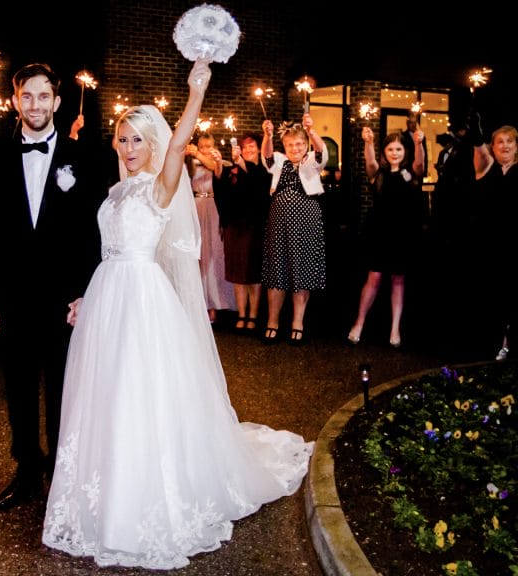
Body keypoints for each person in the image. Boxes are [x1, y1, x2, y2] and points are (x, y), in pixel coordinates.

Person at [41, 59, 313, 570]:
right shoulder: (116, 190)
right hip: (107, 293)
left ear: (154, 144)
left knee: (141, 391)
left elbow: (181, 138)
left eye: (137, 140)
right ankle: (103, 495)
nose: (127, 148)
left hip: (143, 297)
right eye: (122, 139)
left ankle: (147, 494)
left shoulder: (162, 185)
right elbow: (108, 249)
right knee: (106, 391)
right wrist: (84, 296)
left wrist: (195, 93)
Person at [0, 62, 102, 511]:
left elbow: (92, 231)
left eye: (43, 97)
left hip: (66, 298)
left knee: (65, 388)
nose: (35, 105)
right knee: (19, 388)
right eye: (27, 96)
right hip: (13, 296)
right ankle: (26, 469)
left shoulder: (82, 157)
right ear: (14, 101)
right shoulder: (0, 158)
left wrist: (86, 290)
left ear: (57, 102)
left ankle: (64, 476)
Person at [469, 116, 518, 361]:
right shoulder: (484, 168)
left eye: (509, 141)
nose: (504, 145)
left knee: (516, 299)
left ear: (517, 145)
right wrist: (475, 124)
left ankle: (512, 346)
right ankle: (491, 345)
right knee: (490, 298)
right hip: (488, 246)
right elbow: (477, 142)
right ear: (493, 146)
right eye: (499, 142)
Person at [347, 127, 426, 348]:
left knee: (398, 280)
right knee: (374, 278)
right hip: (379, 233)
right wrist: (369, 142)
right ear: (384, 151)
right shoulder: (378, 174)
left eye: (398, 149)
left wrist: (419, 143)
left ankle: (395, 329)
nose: (394, 152)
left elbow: (420, 165)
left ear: (405, 151)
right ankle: (359, 323)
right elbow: (369, 162)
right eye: (390, 149)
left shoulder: (411, 173)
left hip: (403, 234)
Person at [260, 115, 328, 345]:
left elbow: (321, 152)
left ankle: (297, 323)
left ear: (305, 144)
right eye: (290, 144)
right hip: (279, 223)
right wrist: (268, 136)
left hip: (306, 222)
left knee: (302, 270)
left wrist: (311, 131)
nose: (295, 148)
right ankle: (272, 322)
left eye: (299, 144)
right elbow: (267, 157)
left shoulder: (311, 161)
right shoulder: (280, 161)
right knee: (277, 270)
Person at [214, 132, 270, 332]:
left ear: (259, 148)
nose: (247, 150)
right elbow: (221, 189)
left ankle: (253, 315)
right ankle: (242, 313)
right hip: (235, 226)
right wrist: (220, 167)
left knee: (252, 272)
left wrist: (240, 163)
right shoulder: (235, 170)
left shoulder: (264, 170)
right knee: (237, 271)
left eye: (251, 146)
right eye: (244, 147)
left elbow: (257, 185)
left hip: (253, 226)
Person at [186, 133, 235, 322]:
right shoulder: (190, 163)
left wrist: (199, 154)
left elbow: (215, 167)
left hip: (213, 207)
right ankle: (198, 303)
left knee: (214, 254)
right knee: (197, 256)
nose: (204, 149)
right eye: (201, 146)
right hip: (195, 206)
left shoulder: (218, 162)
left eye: (208, 146)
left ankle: (215, 303)